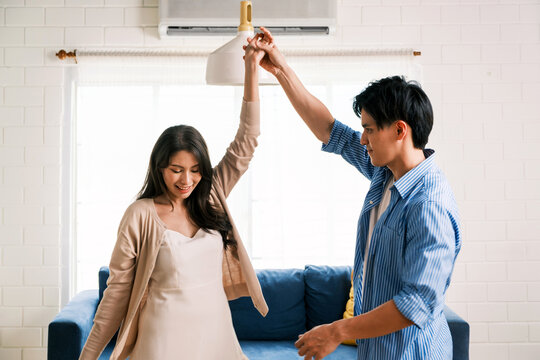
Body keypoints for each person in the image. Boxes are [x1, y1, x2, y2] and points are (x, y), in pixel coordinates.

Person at [254, 27, 462, 359]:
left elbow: (417, 303)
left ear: (398, 130)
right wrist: (280, 69)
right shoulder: (384, 173)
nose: (362, 139)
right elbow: (329, 129)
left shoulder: (428, 205)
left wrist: (338, 330)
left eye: (368, 129)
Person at [79, 34, 270, 360]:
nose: (187, 180)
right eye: (176, 169)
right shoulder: (140, 215)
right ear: (158, 167)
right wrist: (88, 356)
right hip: (162, 340)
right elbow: (118, 291)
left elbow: (247, 140)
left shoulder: (212, 194)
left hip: (215, 334)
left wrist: (251, 67)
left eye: (195, 169)